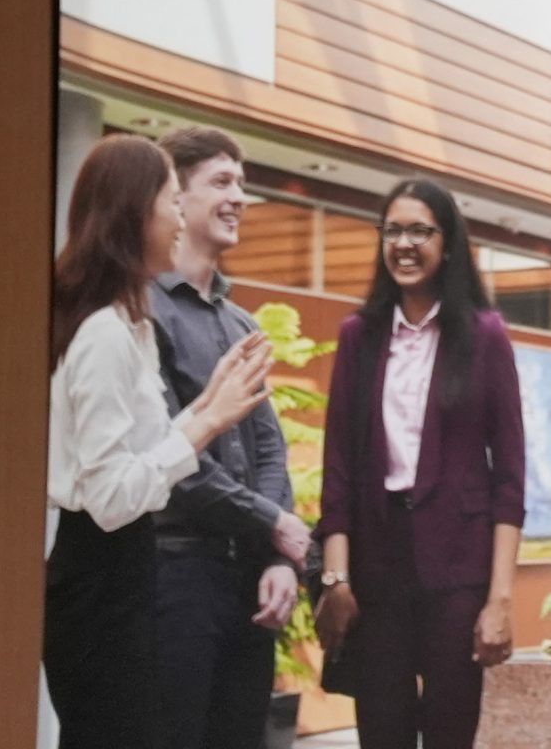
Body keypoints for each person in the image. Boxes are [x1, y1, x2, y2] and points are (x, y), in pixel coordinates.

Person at [46, 134, 275, 749]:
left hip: (123, 569)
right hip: (98, 574)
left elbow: (148, 451)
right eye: (173, 201)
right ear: (134, 211)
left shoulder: (130, 324)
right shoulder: (103, 332)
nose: (179, 218)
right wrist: (204, 424)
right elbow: (110, 499)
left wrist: (208, 406)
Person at [315, 176, 527, 749]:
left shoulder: (485, 336)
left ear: (448, 243)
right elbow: (339, 468)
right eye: (392, 231)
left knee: (450, 732)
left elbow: (510, 480)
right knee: (381, 730)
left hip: (458, 570)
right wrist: (337, 579)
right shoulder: (359, 337)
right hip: (377, 570)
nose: (403, 245)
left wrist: (500, 599)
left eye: (419, 232)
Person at [149, 126, 307, 749]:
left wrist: (278, 558)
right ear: (177, 197)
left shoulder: (241, 322)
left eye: (241, 184)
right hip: (174, 578)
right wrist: (273, 523)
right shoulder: (144, 311)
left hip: (247, 582)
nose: (238, 197)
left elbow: (267, 449)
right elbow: (171, 457)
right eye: (221, 182)